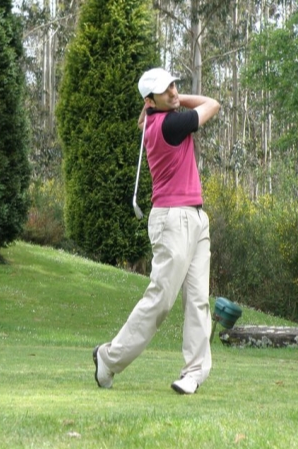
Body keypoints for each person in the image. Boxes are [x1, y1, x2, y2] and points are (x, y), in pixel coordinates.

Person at [93, 67, 220, 395]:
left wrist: (166, 101)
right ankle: (109, 358)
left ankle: (193, 372)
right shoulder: (170, 125)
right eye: (166, 90)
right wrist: (176, 103)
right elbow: (212, 104)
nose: (174, 92)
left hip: (195, 216)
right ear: (150, 100)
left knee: (198, 300)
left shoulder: (157, 117)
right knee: (161, 299)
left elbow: (179, 107)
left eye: (175, 85)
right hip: (173, 219)